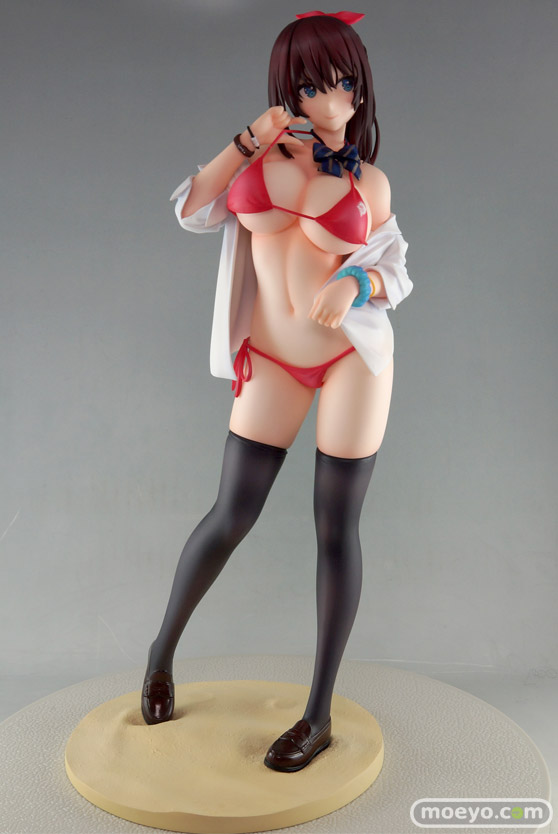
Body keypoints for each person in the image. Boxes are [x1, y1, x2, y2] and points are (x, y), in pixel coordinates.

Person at [141, 10, 412, 773]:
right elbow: (191, 209)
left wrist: (357, 281)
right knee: (231, 513)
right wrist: (246, 141)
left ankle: (317, 715)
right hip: (272, 358)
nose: (331, 100)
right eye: (311, 85)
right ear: (287, 90)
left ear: (360, 87)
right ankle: (160, 654)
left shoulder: (369, 181)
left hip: (351, 360)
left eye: (343, 82)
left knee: (336, 529)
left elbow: (396, 268)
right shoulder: (259, 159)